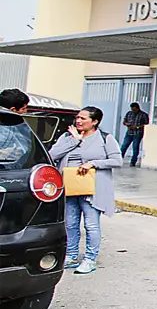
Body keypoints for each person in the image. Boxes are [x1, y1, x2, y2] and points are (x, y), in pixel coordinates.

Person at [48, 106, 123, 274]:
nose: (78, 121)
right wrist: (74, 141)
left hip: (92, 188)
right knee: (71, 223)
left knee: (91, 224)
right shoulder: (68, 136)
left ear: (94, 122)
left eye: (83, 118)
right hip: (69, 187)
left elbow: (117, 160)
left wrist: (93, 163)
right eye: (78, 118)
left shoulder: (105, 138)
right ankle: (71, 255)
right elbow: (52, 155)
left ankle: (90, 259)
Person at [119, 102, 149, 167]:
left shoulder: (143, 115)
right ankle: (119, 160)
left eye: (134, 109)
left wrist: (137, 126)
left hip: (138, 133)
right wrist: (127, 124)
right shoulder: (129, 113)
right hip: (129, 132)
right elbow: (124, 121)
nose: (133, 111)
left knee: (135, 148)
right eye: (132, 109)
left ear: (138, 108)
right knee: (124, 146)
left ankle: (133, 162)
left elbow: (146, 124)